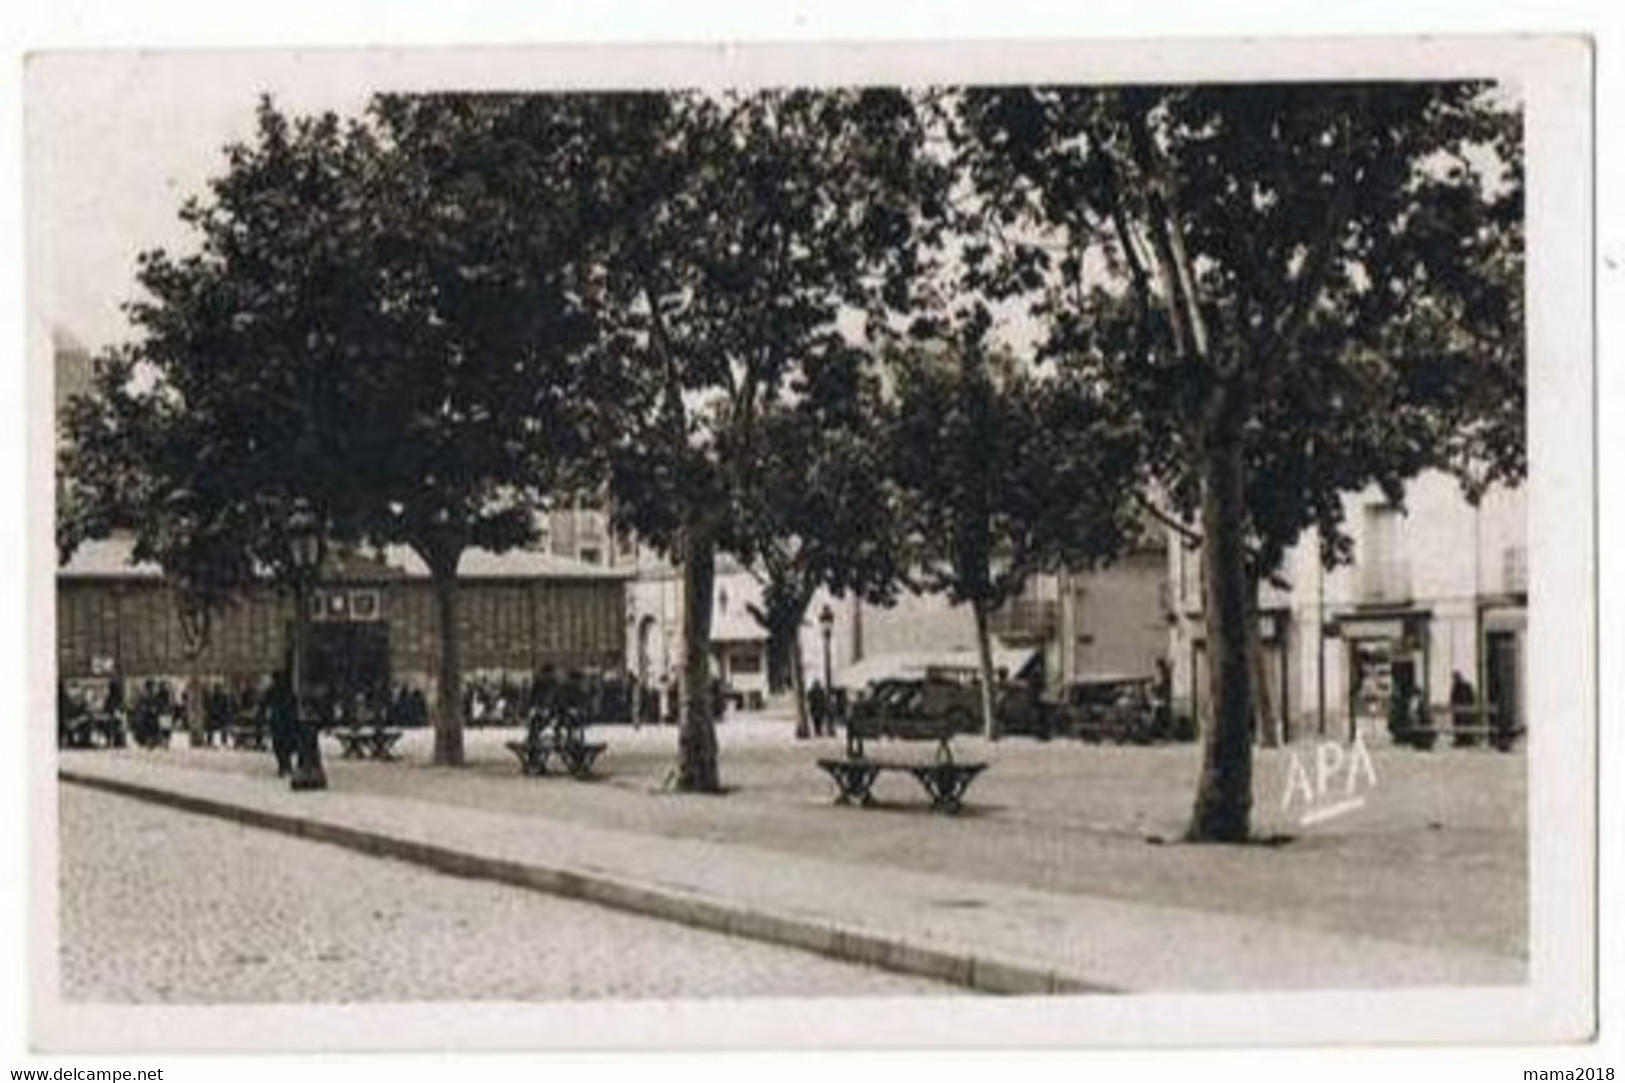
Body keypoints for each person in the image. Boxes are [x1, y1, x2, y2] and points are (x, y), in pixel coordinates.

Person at [264, 669, 298, 777]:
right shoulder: (288, 690)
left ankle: (283, 766)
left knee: (278, 745)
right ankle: (286, 765)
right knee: (285, 744)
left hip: (277, 720)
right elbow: (294, 703)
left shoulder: (272, 690)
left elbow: (264, 703)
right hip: (287, 721)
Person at [1450, 672, 1479, 748]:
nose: (1455, 679)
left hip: (1465, 710)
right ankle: (1462, 739)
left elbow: (1471, 697)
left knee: (1465, 724)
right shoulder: (1458, 686)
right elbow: (1453, 699)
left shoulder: (1464, 686)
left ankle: (1465, 739)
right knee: (1461, 725)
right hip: (1461, 711)